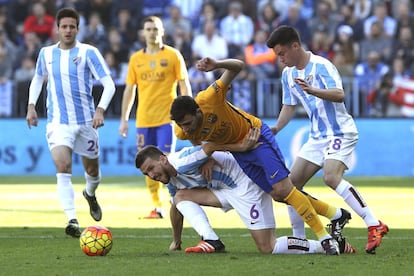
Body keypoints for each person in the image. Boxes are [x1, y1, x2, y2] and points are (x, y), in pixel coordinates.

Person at [170, 57, 350, 255]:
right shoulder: (183, 130)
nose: (185, 129)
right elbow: (200, 141)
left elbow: (238, 66)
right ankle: (336, 214)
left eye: (187, 123)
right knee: (277, 194)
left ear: (197, 112)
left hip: (255, 136)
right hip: (240, 151)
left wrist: (218, 64)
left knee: (284, 188)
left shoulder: (209, 98)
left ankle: (324, 238)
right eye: (181, 125)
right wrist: (210, 156)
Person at [266, 25, 389, 254]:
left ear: (295, 46)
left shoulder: (322, 66)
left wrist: (313, 91)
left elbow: (340, 94)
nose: (280, 59)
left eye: (282, 53)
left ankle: (374, 223)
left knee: (331, 176)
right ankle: (300, 239)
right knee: (289, 187)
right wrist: (277, 127)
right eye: (277, 55)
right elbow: (289, 105)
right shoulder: (288, 74)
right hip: (317, 136)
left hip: (340, 131)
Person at [134, 140, 356, 255]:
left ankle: (326, 244)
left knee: (268, 246)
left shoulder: (183, 160)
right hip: (225, 189)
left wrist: (227, 150)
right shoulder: (170, 179)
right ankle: (211, 240)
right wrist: (177, 240)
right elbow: (176, 206)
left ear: (163, 159)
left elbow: (209, 145)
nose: (151, 175)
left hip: (244, 184)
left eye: (152, 168)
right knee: (180, 197)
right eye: (147, 174)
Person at [25, 8, 116, 238]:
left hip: (86, 122)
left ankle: (90, 193)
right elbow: (37, 78)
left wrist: (100, 110)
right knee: (63, 167)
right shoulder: (45, 53)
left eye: (71, 27)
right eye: (63, 26)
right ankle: (72, 220)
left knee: (92, 172)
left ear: (77, 28)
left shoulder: (88, 52)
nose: (67, 30)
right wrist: (31, 105)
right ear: (57, 29)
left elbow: (109, 84)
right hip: (58, 122)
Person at [118, 16, 192, 219]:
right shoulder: (136, 59)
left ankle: (173, 198)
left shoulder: (173, 55)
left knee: (165, 161)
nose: (151, 32)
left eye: (155, 29)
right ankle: (157, 206)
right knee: (146, 164)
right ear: (144, 32)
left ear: (162, 32)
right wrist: (125, 118)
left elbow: (184, 84)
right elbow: (129, 90)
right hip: (143, 120)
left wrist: (189, 111)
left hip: (167, 120)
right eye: (148, 29)